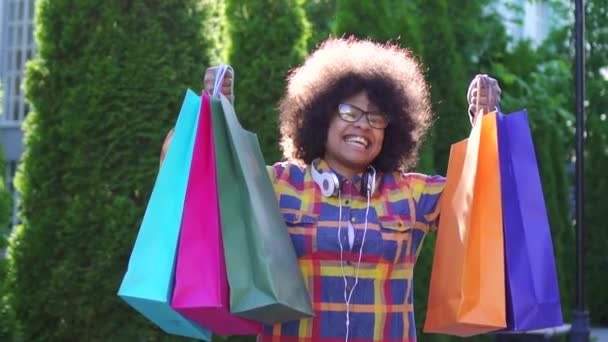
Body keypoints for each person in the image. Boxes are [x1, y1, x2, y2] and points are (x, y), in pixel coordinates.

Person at [162, 37, 501, 342]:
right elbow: (193, 183)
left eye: (376, 118)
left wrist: (485, 128)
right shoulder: (277, 187)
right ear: (320, 117)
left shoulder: (412, 194)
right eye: (349, 112)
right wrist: (213, 118)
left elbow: (483, 195)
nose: (362, 125)